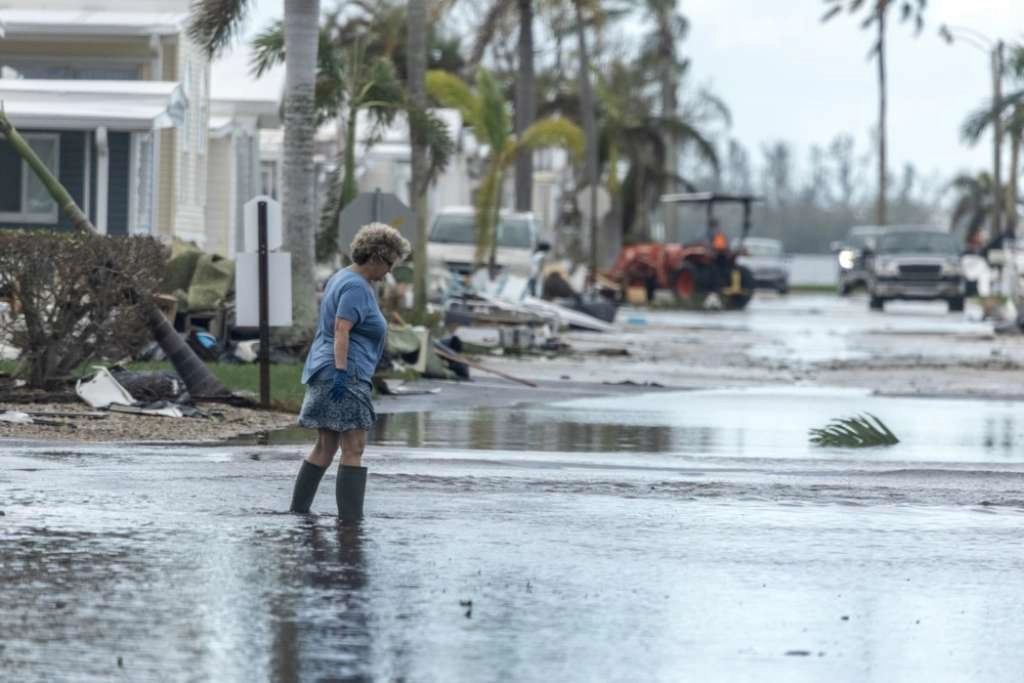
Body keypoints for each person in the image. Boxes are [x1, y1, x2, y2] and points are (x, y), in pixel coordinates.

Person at [289, 222, 411, 521]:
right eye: (390, 264)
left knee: (326, 445)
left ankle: (299, 511)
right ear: (376, 257)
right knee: (354, 446)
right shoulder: (356, 286)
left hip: (324, 367)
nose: (389, 272)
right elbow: (341, 329)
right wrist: (343, 372)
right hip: (344, 371)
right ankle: (351, 523)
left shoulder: (341, 277)